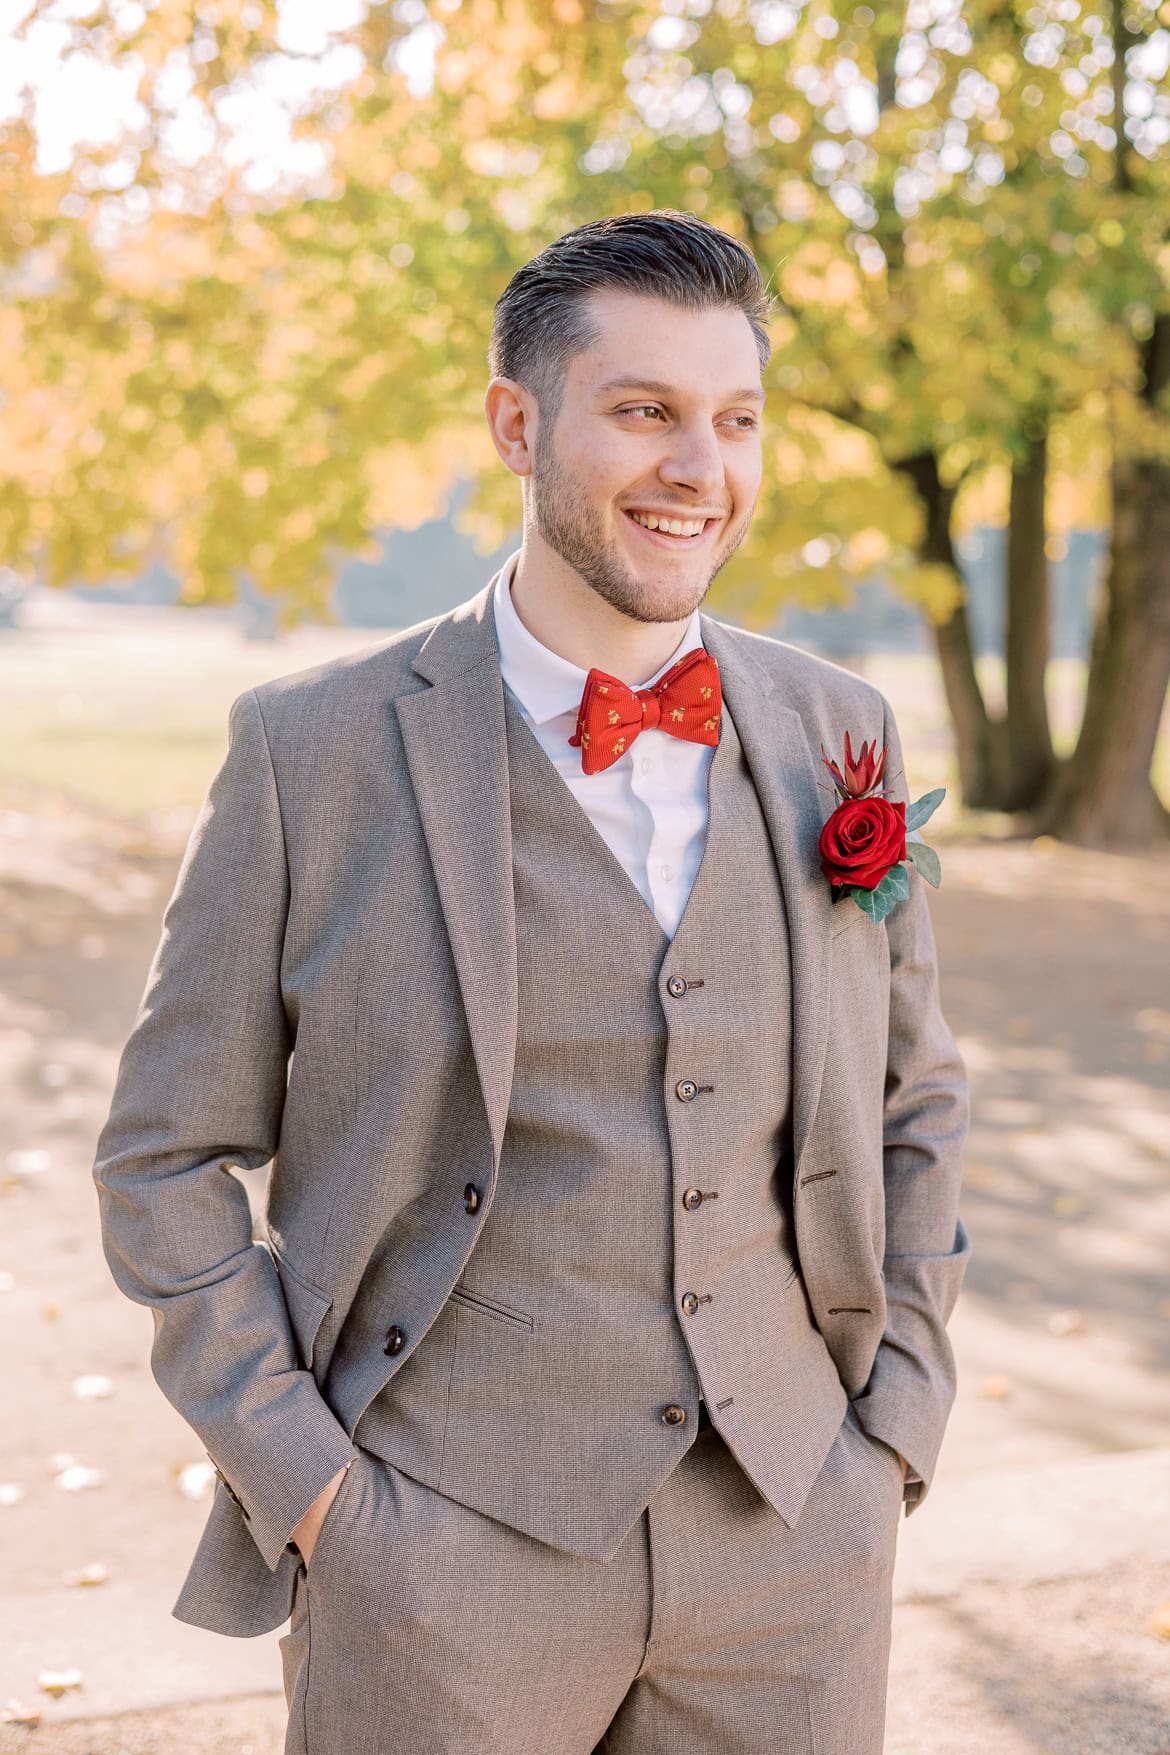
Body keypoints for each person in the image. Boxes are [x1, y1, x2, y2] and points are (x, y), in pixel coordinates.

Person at [92, 208, 971, 1755]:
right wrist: (316, 1496)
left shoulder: (837, 729)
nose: (699, 467)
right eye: (643, 411)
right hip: (435, 1559)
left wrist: (889, 1430)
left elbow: (912, 1098)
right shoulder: (315, 754)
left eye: (734, 418)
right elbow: (162, 1161)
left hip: (791, 1545)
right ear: (516, 423)